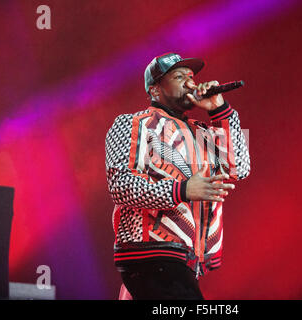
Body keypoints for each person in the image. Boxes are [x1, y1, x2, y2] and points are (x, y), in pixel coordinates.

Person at [105, 52, 250, 300]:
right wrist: (182, 190)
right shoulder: (132, 123)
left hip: (185, 261)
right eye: (179, 76)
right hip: (151, 252)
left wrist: (220, 109)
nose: (190, 83)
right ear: (155, 90)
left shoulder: (204, 131)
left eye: (192, 77)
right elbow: (120, 185)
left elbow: (240, 169)